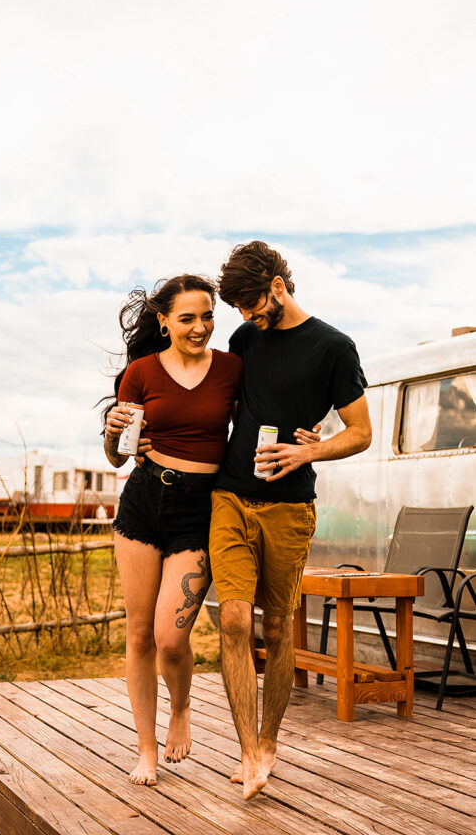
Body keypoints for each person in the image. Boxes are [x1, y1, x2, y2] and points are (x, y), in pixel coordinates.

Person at [209, 240, 372, 800]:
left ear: (278, 286)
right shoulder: (244, 338)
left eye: (252, 304)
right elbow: (225, 407)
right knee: (233, 621)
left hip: (290, 506)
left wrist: (309, 451)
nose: (246, 318)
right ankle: (248, 749)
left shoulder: (333, 347)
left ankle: (269, 742)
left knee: (277, 628)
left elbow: (361, 432)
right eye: (239, 310)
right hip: (230, 497)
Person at [103, 274, 242, 786]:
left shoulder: (231, 370)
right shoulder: (140, 372)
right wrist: (114, 436)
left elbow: (261, 416)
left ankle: (180, 708)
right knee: (139, 633)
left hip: (199, 511)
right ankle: (145, 749)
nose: (200, 327)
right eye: (187, 318)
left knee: (170, 636)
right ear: (163, 321)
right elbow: (118, 452)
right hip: (143, 502)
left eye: (207, 316)